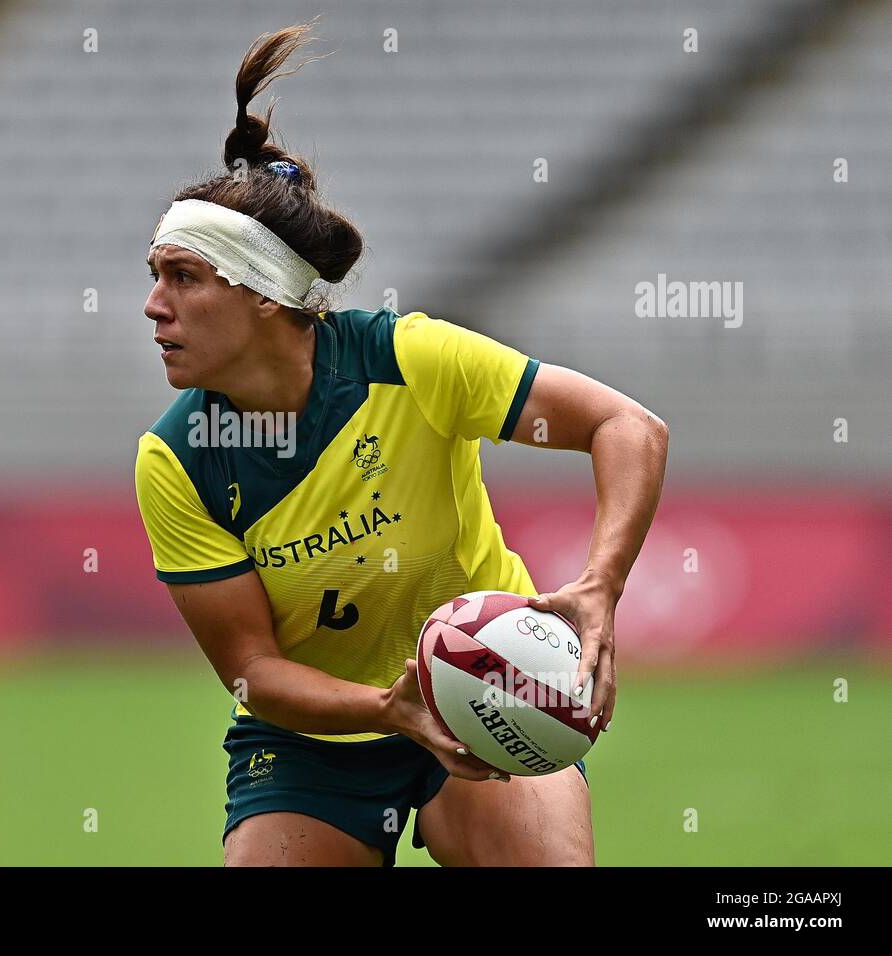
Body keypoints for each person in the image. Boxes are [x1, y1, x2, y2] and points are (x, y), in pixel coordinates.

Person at [134, 21, 668, 866]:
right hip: (316, 741)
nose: (154, 304)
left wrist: (599, 590)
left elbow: (627, 427)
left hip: (486, 684)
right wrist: (389, 708)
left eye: (184, 277)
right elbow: (253, 671)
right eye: (154, 276)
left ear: (269, 296)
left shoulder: (407, 358)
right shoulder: (178, 459)